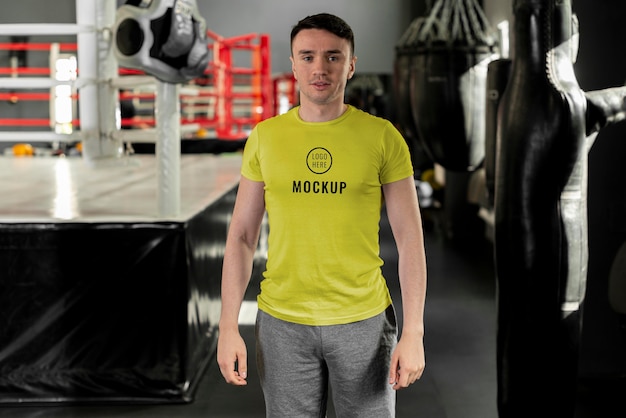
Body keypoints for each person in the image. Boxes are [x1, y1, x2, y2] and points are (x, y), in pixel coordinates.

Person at [217, 12, 427, 417]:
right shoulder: (265, 138)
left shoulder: (383, 137)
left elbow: (410, 238)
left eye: (333, 57)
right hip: (283, 323)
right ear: (293, 64)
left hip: (362, 321)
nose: (320, 68)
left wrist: (414, 330)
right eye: (308, 56)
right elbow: (242, 235)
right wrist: (228, 326)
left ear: (351, 65)